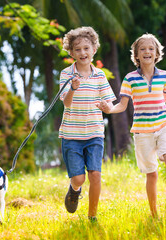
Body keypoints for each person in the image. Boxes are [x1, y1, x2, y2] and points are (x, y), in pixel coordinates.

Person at [96, 33, 166, 217]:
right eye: (142, 49)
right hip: (142, 132)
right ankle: (154, 213)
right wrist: (108, 109)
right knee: (152, 174)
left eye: (151, 48)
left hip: (163, 125)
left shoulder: (164, 76)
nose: (147, 51)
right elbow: (122, 105)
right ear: (136, 55)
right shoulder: (130, 79)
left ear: (157, 53)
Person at [58, 26, 116, 222]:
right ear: (71, 52)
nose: (82, 52)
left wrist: (106, 106)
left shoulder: (99, 75)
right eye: (77, 49)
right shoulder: (66, 74)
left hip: (94, 133)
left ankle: (92, 216)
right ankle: (74, 190)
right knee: (79, 179)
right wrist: (73, 88)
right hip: (71, 135)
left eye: (86, 48)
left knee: (95, 176)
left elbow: (109, 102)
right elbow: (66, 102)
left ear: (93, 49)